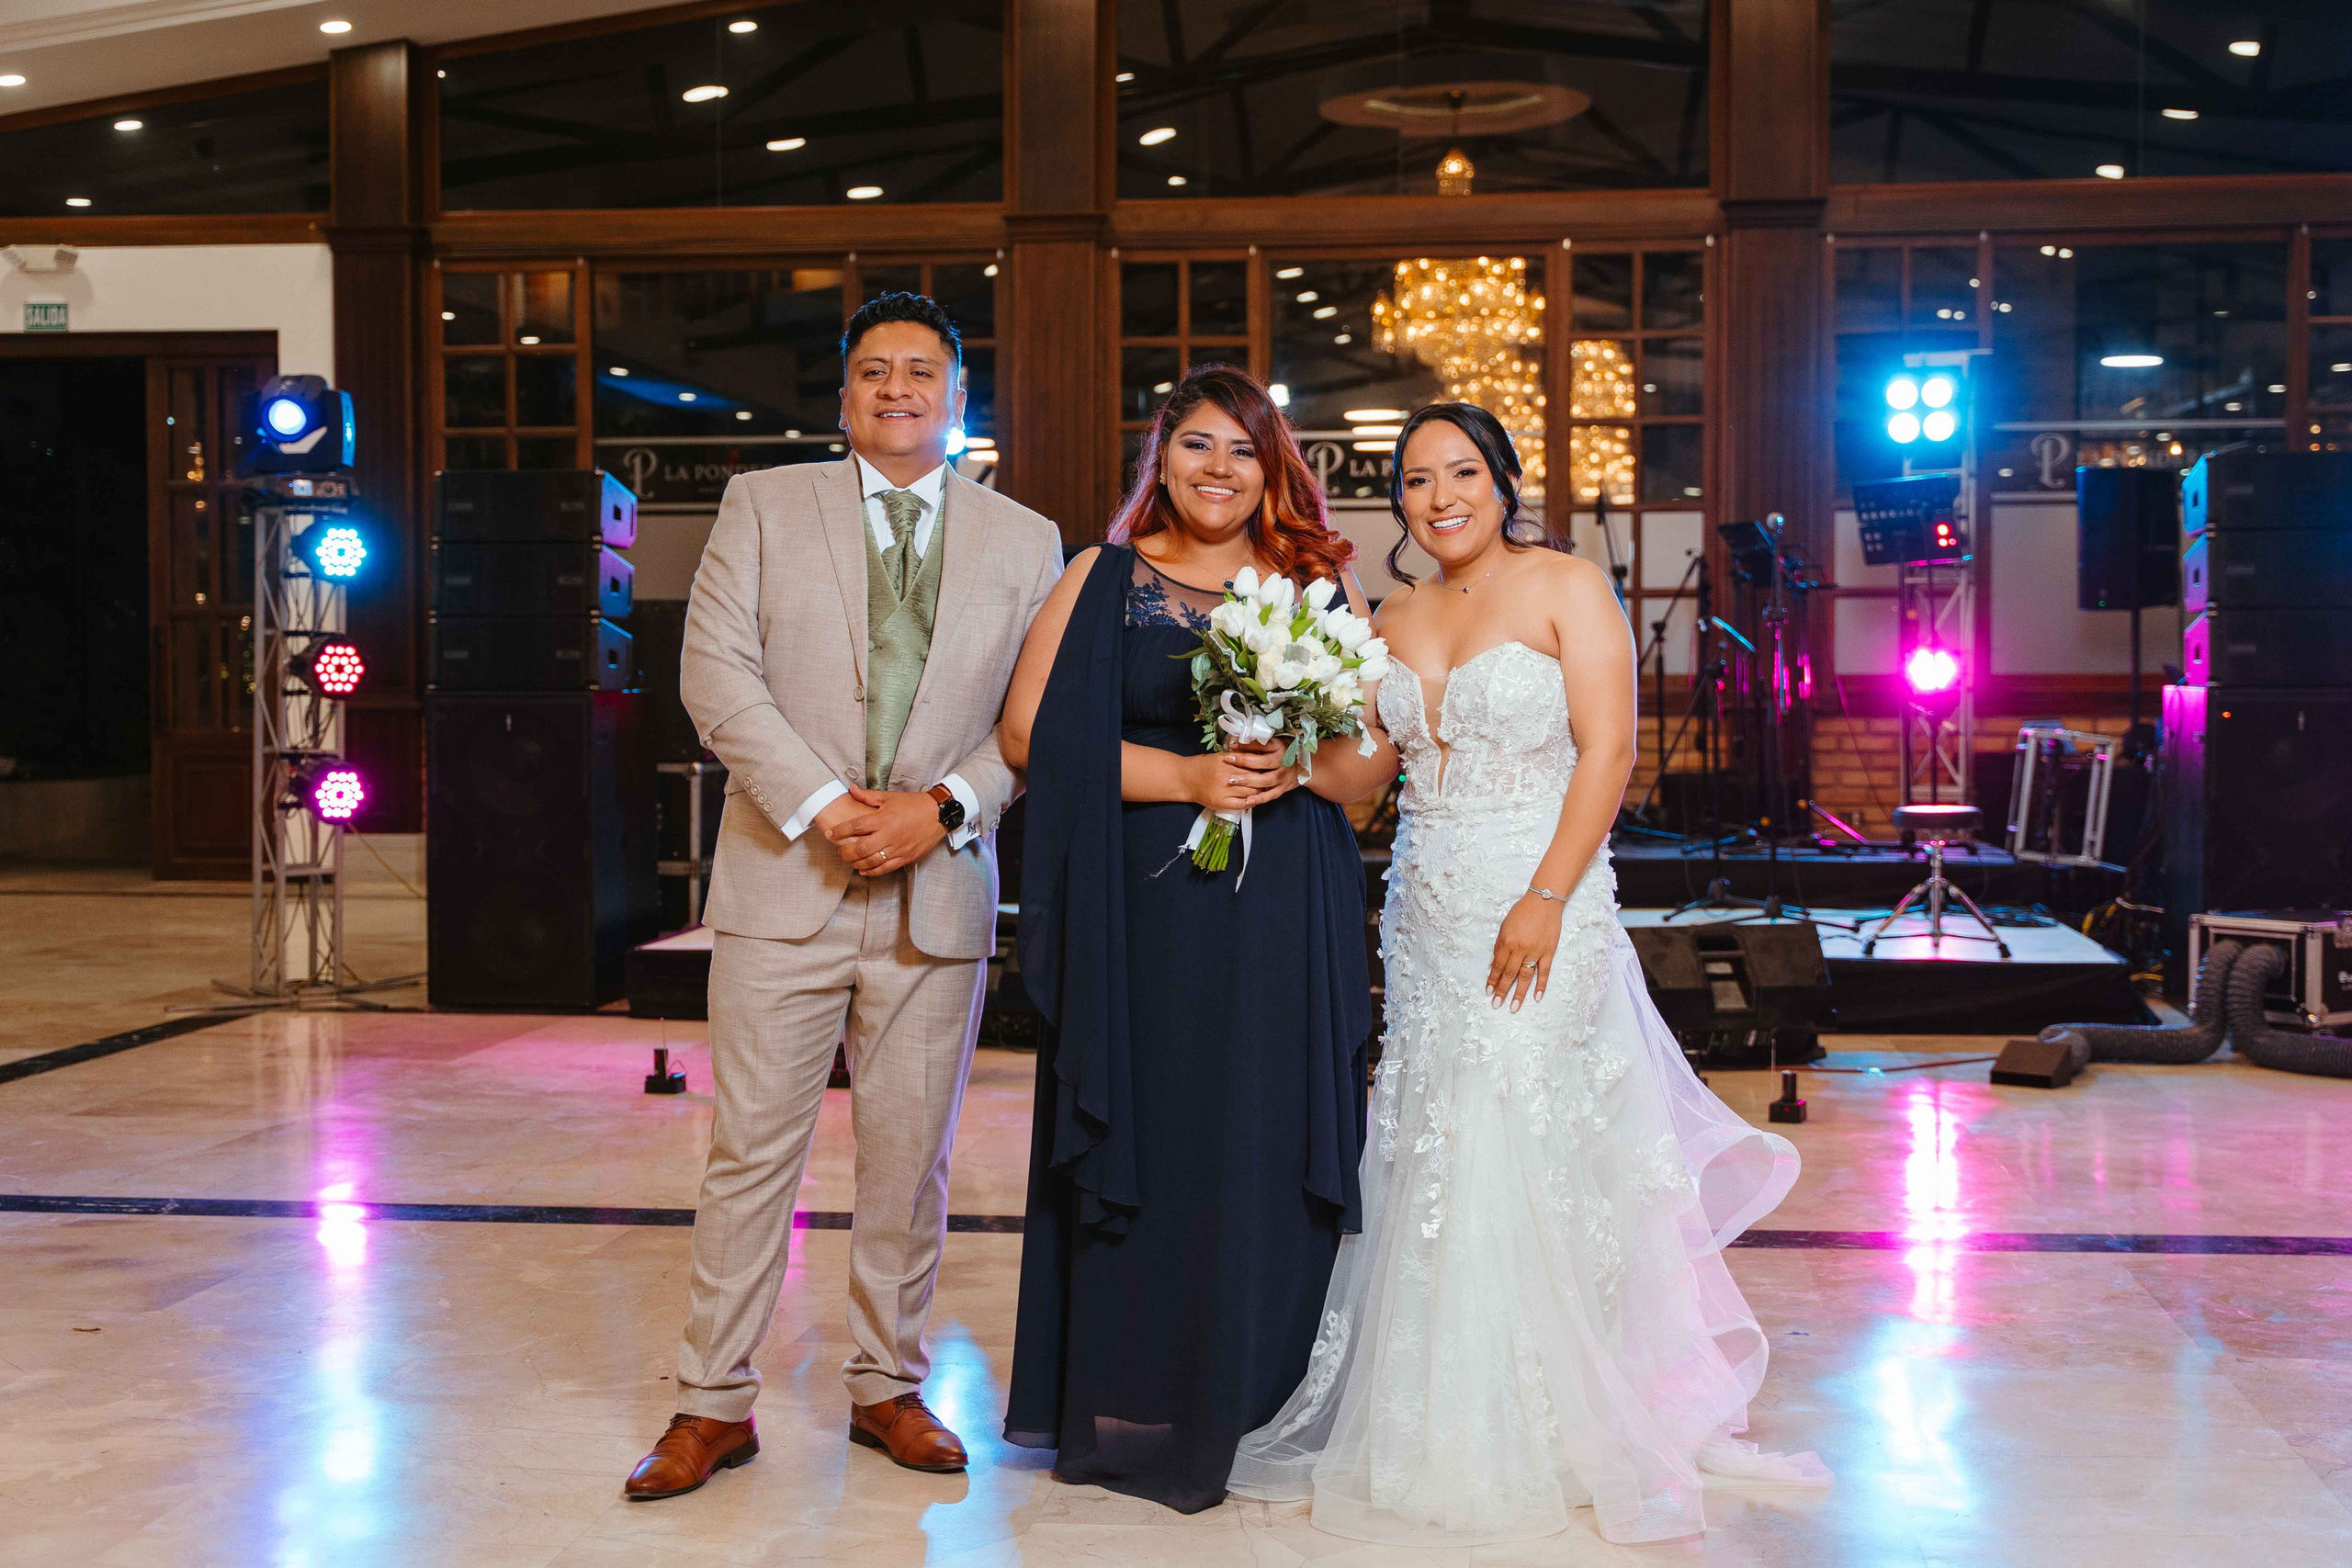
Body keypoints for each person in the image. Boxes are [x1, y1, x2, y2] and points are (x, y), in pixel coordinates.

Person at [1228, 403, 1826, 1545]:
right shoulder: (1390, 614)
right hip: (1427, 908)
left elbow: (1611, 749)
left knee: (1520, 1120)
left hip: (1543, 892)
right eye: (1415, 479)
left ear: (1502, 483)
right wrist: (1286, 734)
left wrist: (1545, 897)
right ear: (1397, 501)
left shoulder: (1566, 586)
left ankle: (1559, 1418)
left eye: (1461, 471)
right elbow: (1367, 774)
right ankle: (1447, 1415)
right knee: (1439, 1132)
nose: (1439, 496)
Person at [624, 293, 1064, 1500]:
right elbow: (715, 675)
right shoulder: (765, 505)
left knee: (910, 1160)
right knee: (748, 1153)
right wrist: (828, 805)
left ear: (958, 396)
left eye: (922, 371)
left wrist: (942, 809)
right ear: (843, 394)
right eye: (875, 370)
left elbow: (1033, 721)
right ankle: (712, 1402)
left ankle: (887, 1384)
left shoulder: (1026, 540)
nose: (897, 388)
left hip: (939, 890)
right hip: (785, 880)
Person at [998, 365, 1399, 1513]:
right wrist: (1184, 776)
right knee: (1160, 1131)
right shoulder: (1102, 576)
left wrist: (1292, 763)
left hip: (1281, 908)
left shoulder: (1316, 580)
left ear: (1272, 467)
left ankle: (1259, 1396)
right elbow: (1027, 736)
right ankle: (1134, 1392)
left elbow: (1367, 771)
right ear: (1159, 459)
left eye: (1242, 449)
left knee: (1260, 1136)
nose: (1218, 469)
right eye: (1196, 446)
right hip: (1145, 911)